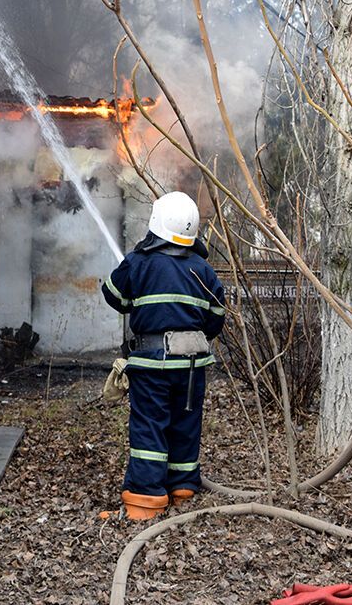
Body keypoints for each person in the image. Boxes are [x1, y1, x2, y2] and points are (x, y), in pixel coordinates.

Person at [101, 191, 226, 520]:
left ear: (156, 224)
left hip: (152, 364)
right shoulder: (203, 269)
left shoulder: (138, 262)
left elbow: (113, 295)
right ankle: (182, 488)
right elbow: (216, 317)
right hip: (191, 365)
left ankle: (145, 499)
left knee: (150, 425)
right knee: (185, 423)